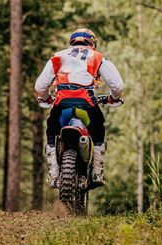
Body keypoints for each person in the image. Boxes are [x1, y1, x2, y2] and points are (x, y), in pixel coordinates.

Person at [34, 28, 124, 188]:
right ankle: (97, 171)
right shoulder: (98, 57)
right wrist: (113, 98)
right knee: (98, 129)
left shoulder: (57, 57)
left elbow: (40, 86)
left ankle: (54, 173)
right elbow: (117, 85)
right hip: (86, 105)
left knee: (52, 131)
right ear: (93, 43)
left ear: (71, 42)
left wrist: (46, 98)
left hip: (61, 105)